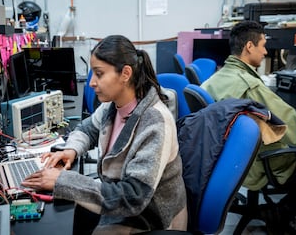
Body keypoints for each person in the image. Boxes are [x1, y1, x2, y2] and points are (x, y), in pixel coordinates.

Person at [22, 35, 188, 234]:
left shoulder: (155, 121)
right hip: (123, 205)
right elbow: (87, 129)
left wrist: (63, 181)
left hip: (152, 218)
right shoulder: (113, 106)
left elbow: (133, 196)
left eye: (99, 74)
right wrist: (71, 150)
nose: (91, 82)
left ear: (126, 73)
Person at [201, 20, 296, 233]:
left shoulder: (215, 78)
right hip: (254, 163)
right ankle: (283, 211)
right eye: (262, 44)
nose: (266, 51)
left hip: (228, 158)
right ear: (249, 47)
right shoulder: (252, 87)